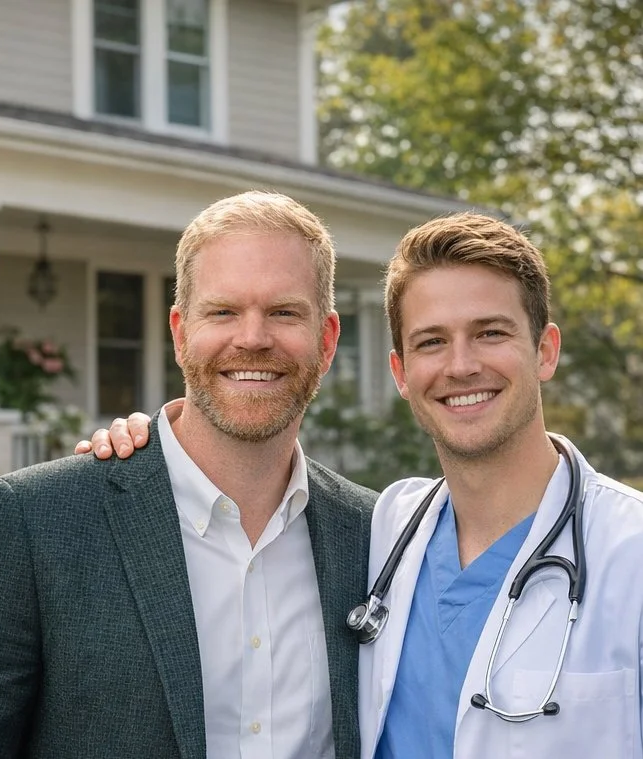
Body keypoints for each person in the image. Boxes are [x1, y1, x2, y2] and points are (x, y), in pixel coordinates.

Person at [83, 212, 643, 759]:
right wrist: (144, 446)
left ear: (545, 350)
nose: (461, 365)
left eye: (490, 333)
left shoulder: (628, 551)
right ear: (401, 372)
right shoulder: (383, 530)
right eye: (430, 342)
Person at [0, 191, 376, 759]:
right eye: (222, 312)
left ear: (326, 339)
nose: (252, 338)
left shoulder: (371, 536)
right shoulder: (35, 521)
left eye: (284, 312)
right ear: (179, 332)